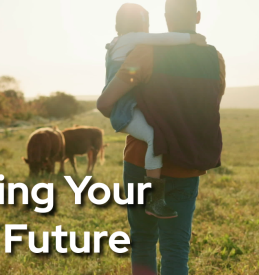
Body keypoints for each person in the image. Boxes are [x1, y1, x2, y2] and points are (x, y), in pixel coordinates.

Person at [97, 0, 226, 274]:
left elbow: (106, 101)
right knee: (176, 248)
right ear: (198, 17)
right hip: (187, 162)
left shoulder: (144, 53)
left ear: (165, 19)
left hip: (139, 162)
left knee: (142, 240)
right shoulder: (214, 57)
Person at [103, 3, 207, 219]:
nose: (149, 29)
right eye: (147, 24)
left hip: (127, 106)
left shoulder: (118, 42)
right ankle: (154, 198)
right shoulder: (132, 39)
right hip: (125, 109)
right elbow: (163, 40)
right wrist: (191, 39)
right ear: (140, 24)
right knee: (154, 136)